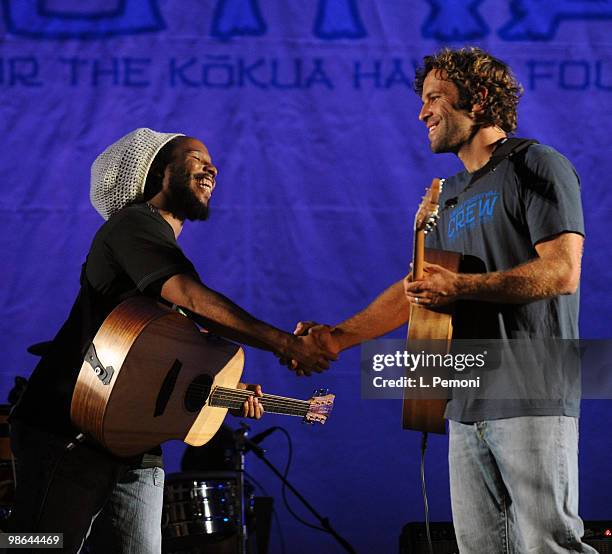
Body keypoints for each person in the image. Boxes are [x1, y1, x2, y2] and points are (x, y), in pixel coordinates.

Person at [291, 47, 595, 552]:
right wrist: (336, 338)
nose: (422, 112)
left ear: (476, 100)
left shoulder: (534, 163)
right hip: (464, 401)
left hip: (531, 393)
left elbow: (562, 271)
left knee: (547, 545)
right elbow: (419, 285)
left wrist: (462, 288)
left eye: (435, 98)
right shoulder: (445, 193)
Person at [9, 128, 336, 553]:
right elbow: (192, 299)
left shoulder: (163, 254)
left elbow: (165, 361)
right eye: (196, 157)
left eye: (211, 161)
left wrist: (226, 392)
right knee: (35, 545)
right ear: (160, 172)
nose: (211, 167)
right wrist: (285, 344)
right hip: (70, 428)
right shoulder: (133, 225)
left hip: (133, 444)